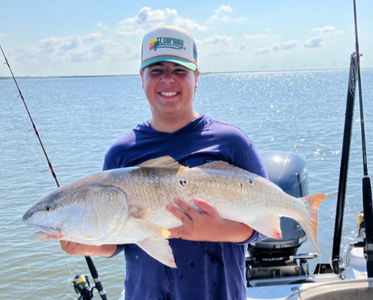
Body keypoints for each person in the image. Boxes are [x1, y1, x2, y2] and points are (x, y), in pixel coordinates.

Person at [61, 26, 268, 300]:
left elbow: (266, 224)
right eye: (156, 70)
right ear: (142, 78)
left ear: (196, 77)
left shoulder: (232, 143)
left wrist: (219, 230)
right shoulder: (121, 153)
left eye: (180, 70)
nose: (168, 80)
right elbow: (121, 238)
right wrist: (90, 244)